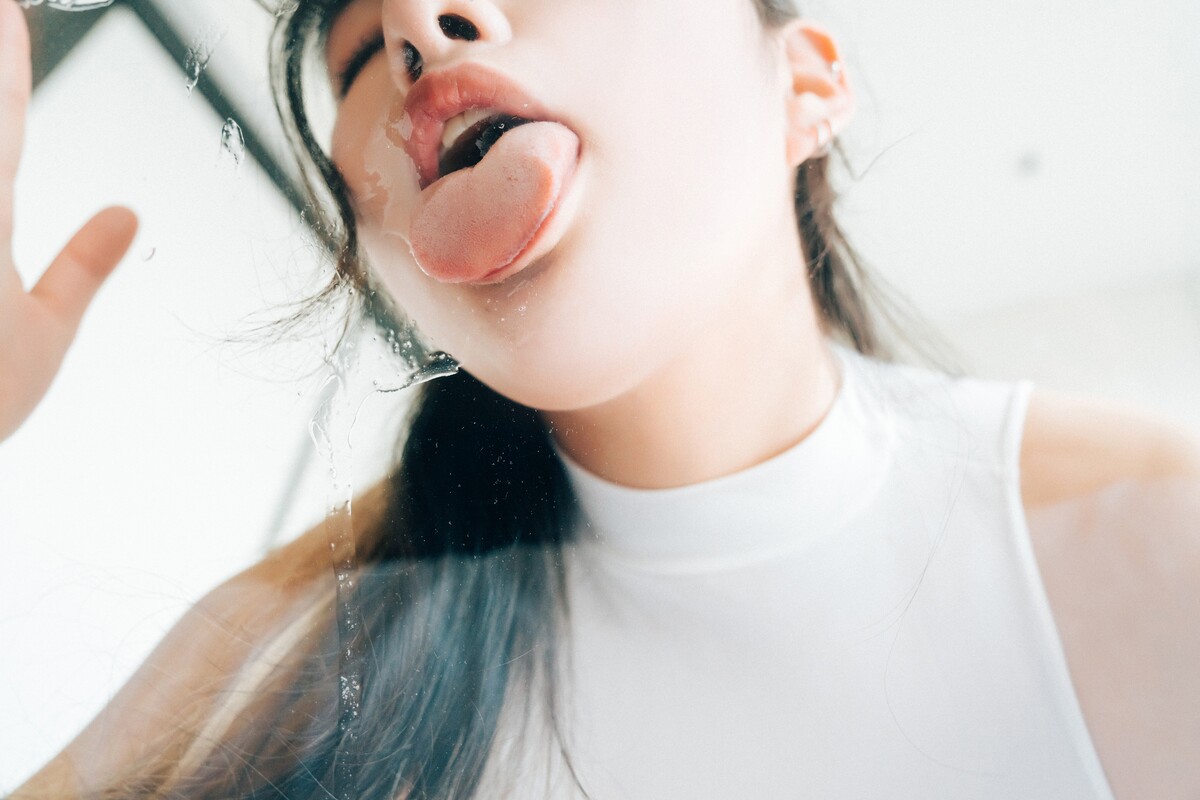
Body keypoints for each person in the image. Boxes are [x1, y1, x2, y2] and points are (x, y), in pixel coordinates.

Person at [3, 0, 1198, 797]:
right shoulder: (292, 650)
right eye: (360, 62)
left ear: (805, 83)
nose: (415, 23)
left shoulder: (1154, 530)